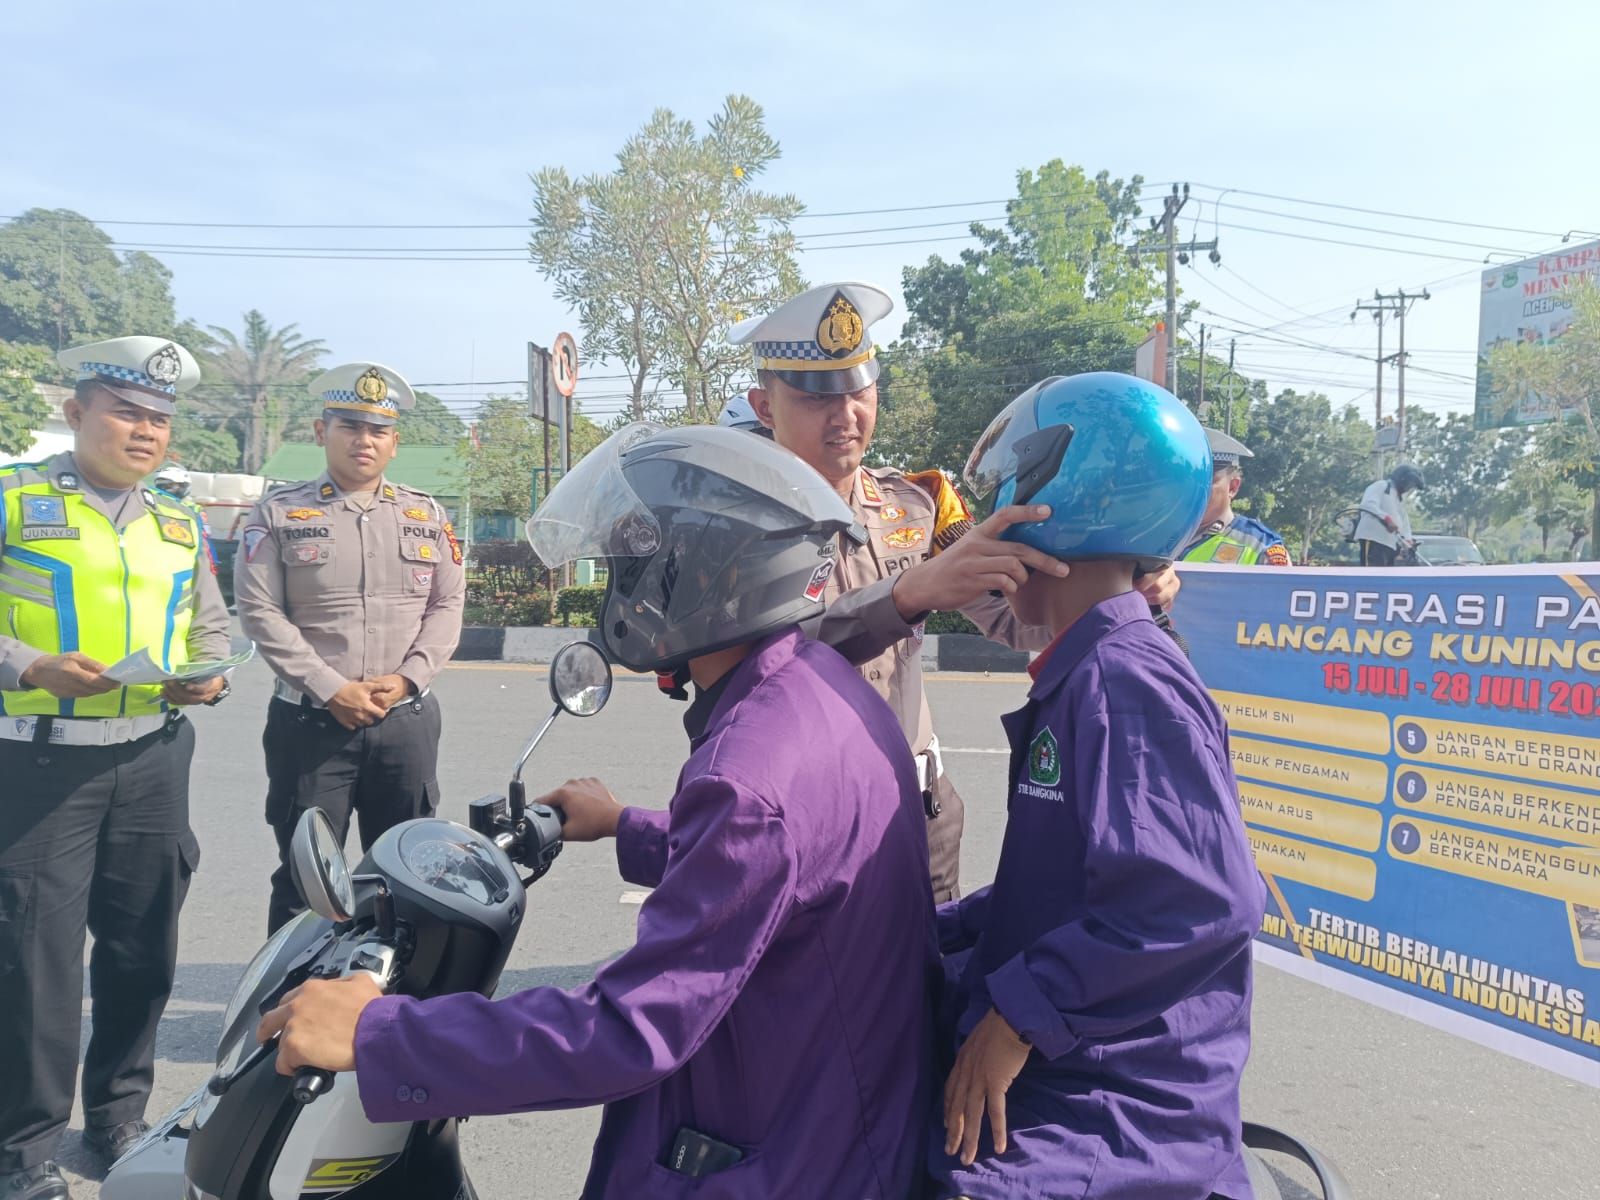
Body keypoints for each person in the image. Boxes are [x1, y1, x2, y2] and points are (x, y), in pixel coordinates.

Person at [257, 423, 939, 1199]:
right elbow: (786, 879)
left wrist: (380, 1035)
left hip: (775, 1152)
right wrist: (626, 825)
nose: (621, 584)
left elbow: (628, 1032)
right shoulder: (825, 684)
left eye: (630, 562)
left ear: (696, 575)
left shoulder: (746, 772)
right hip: (835, 1098)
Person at [726, 282, 1181, 901]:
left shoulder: (919, 504)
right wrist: (905, 596)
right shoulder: (730, 527)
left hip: (920, 805)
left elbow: (1019, 619)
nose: (845, 416)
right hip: (802, 808)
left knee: (933, 980)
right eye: (814, 398)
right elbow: (756, 666)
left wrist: (1126, 588)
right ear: (764, 405)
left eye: (859, 391)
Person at [929, 372, 1268, 1199]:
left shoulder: (1125, 679)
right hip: (1081, 1045)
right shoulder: (1085, 666)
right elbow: (1061, 888)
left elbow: (1197, 901)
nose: (983, 527)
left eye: (1005, 499)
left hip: (1121, 1092)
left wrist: (1015, 1022)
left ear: (1060, 509)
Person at [0, 337, 232, 1200]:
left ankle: (117, 1120)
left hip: (154, 755)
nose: (146, 432)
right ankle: (23, 1153)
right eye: (128, 412)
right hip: (40, 765)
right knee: (36, 964)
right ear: (76, 413)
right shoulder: (14, 499)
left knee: (142, 951)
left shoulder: (179, 517)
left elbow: (211, 623)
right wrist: (28, 666)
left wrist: (211, 672)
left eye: (160, 420)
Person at [234, 363, 465, 934]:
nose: (364, 440)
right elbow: (260, 612)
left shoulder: (427, 515)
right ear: (321, 432)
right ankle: (293, 1012)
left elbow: (447, 606)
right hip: (312, 724)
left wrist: (410, 677)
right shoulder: (278, 515)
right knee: (306, 879)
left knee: (408, 872)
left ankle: (392, 1008)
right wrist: (330, 686)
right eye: (349, 426)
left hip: (404, 720)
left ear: (394, 442)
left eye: (378, 430)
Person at [1178, 427, 1291, 565]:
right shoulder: (1154, 536)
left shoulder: (1260, 546)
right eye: (1186, 480)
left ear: (1233, 487)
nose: (1194, 490)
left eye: (1206, 481)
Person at [1354, 463, 1425, 566]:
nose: (1409, 488)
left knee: (1385, 579)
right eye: (1410, 484)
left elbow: (1404, 521)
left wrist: (1408, 539)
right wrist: (1387, 519)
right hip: (1373, 540)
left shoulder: (1398, 498)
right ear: (1402, 479)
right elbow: (1367, 505)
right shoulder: (1381, 486)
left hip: (1390, 545)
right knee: (1371, 576)